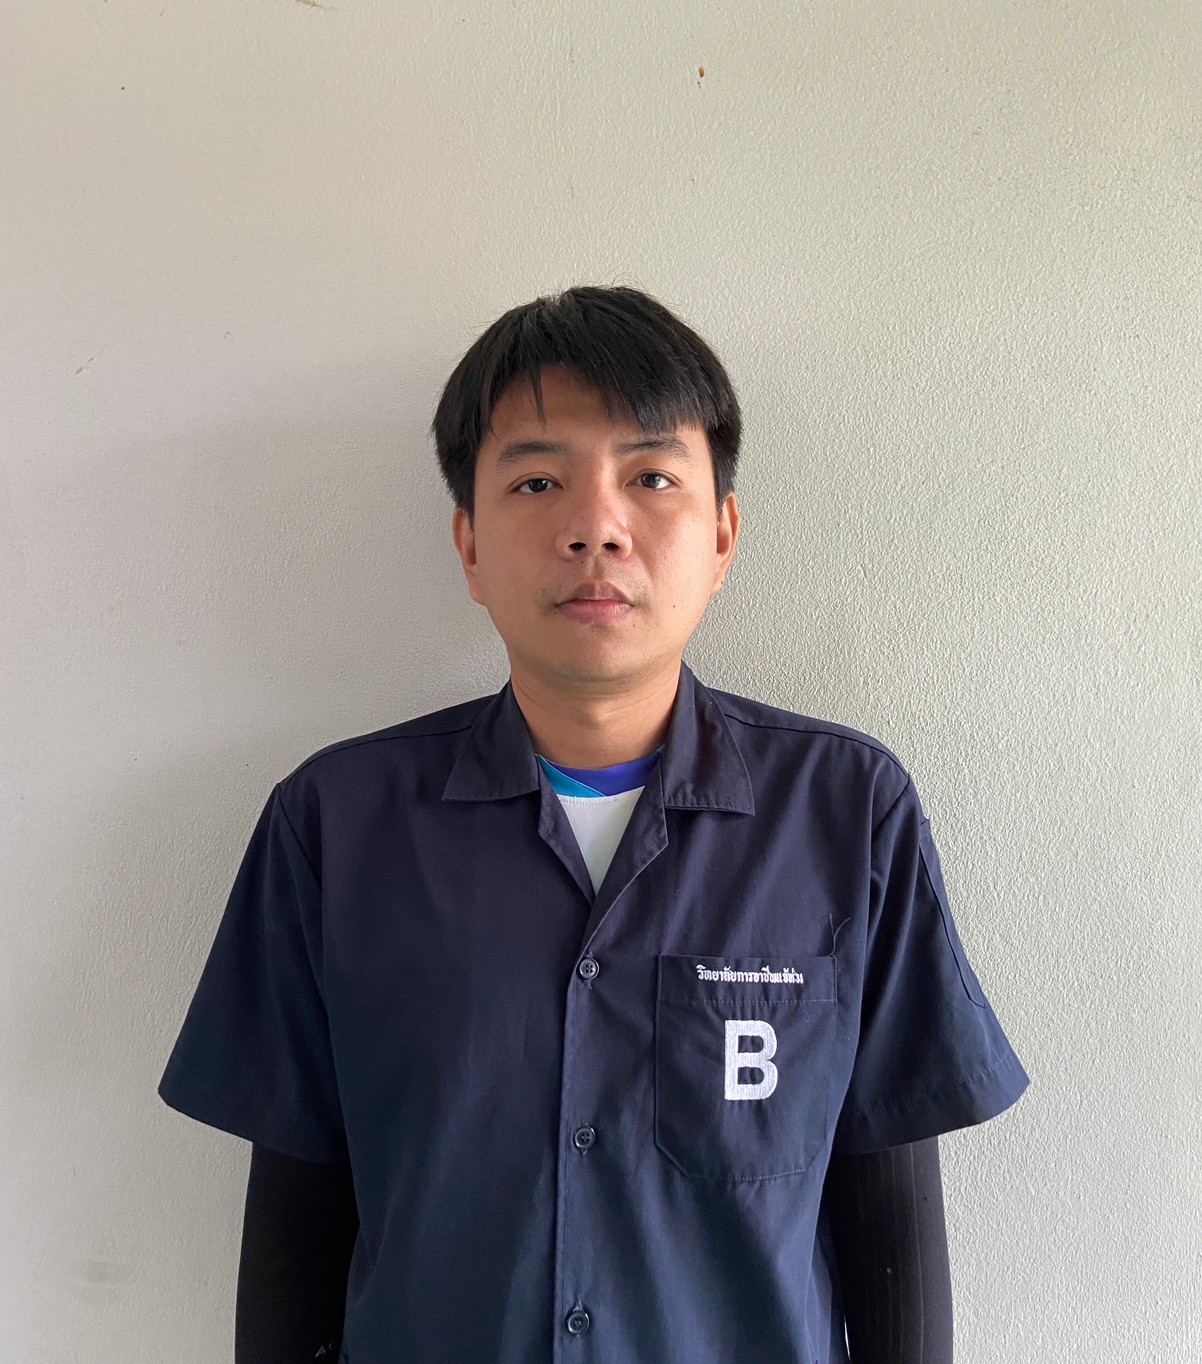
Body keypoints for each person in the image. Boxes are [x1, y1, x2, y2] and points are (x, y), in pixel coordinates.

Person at [158, 285, 1029, 1364]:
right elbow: (297, 1216)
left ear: (722, 534)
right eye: (537, 481)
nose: (596, 527)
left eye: (650, 477)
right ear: (469, 545)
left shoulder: (847, 812)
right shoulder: (335, 826)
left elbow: (888, 1209)